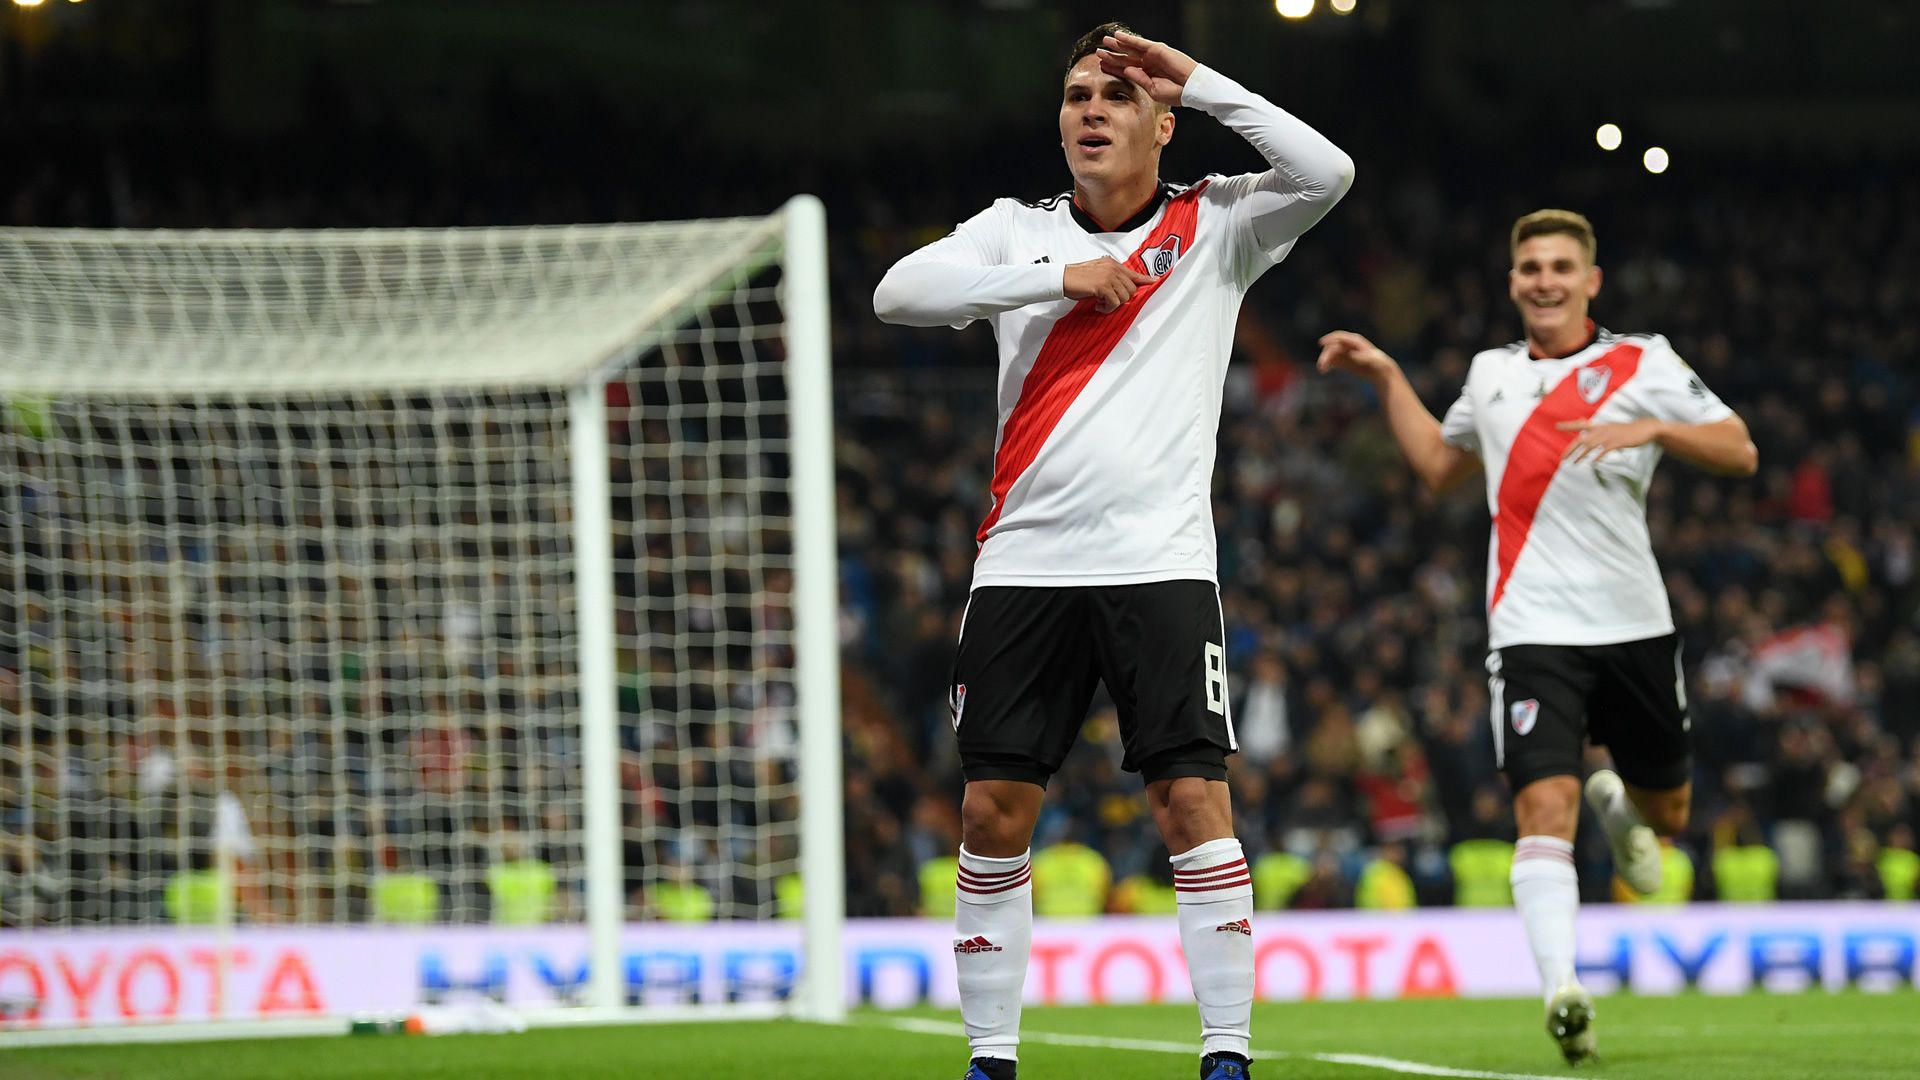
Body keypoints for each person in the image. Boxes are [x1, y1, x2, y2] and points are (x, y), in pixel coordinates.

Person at [874, 21, 1353, 1080]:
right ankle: (991, 1061)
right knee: (993, 809)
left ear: (1163, 124)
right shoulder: (1014, 230)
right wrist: (1054, 282)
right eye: (1077, 94)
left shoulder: (1220, 222)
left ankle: (1226, 1053)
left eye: (1119, 97)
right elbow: (897, 294)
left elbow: (1330, 169)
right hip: (1024, 569)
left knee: (1193, 801)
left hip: (1163, 565)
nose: (1091, 109)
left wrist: (1198, 76)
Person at [1317, 209, 1757, 1063]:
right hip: (1530, 631)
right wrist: (1386, 378)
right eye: (1529, 267)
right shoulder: (1489, 375)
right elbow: (1442, 471)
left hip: (1635, 626)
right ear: (1513, 282)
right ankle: (1564, 990)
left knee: (1669, 817)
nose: (1544, 280)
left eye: (1561, 266)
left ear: (1592, 280)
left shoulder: (1644, 361)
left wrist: (1656, 428)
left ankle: (1625, 813)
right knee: (1540, 810)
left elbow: (1739, 450)